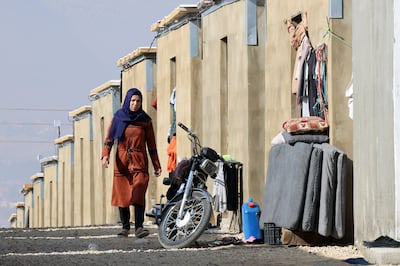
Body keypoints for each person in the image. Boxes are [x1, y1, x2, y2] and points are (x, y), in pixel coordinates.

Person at [101, 88, 162, 238]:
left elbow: (152, 145)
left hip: (139, 160)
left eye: (138, 101)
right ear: (128, 101)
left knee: (139, 191)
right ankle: (125, 227)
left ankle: (139, 227)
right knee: (123, 195)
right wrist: (105, 155)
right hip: (122, 161)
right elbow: (109, 138)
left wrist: (157, 165)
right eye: (133, 101)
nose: (135, 104)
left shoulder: (145, 120)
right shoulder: (118, 118)